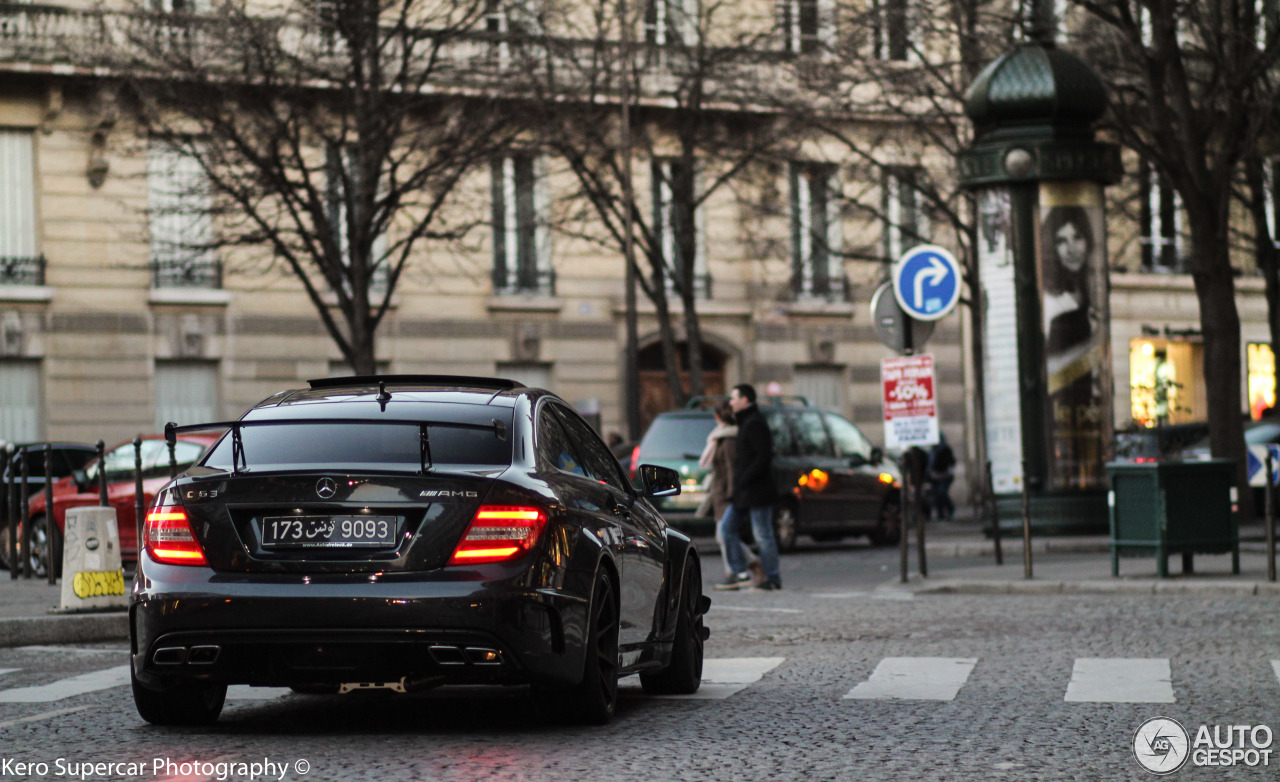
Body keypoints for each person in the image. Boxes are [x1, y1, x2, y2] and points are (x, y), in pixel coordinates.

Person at [718, 383, 782, 591]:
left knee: (763, 534)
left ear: (745, 400)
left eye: (734, 398)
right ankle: (740, 572)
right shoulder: (745, 422)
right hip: (744, 491)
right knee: (726, 529)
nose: (731, 402)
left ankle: (772, 578)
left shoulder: (754, 423)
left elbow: (764, 456)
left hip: (757, 490)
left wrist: (745, 477)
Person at [701, 401, 762, 589]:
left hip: (727, 494)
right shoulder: (720, 437)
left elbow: (731, 470)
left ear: (718, 417)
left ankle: (740, 570)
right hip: (721, 493)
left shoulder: (727, 440)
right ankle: (740, 569)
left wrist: (732, 494)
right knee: (724, 534)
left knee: (724, 534)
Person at [927, 433, 955, 521]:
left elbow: (951, 462)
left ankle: (949, 509)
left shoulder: (945, 449)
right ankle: (940, 514)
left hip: (944, 475)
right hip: (935, 476)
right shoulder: (932, 450)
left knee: (942, 493)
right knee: (936, 495)